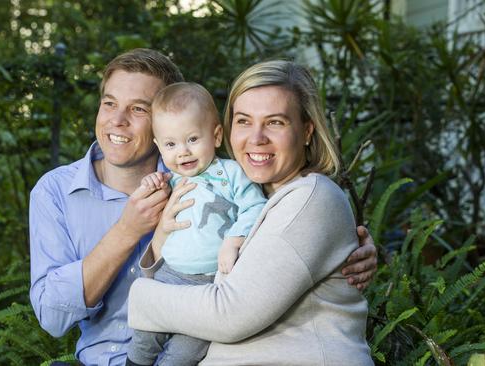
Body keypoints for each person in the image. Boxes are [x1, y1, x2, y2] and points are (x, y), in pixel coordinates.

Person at [29, 48, 377, 366]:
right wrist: (128, 230)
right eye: (109, 103)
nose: (118, 120)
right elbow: (52, 318)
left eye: (139, 109)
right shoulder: (57, 191)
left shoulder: (214, 176)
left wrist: (349, 246)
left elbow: (287, 215)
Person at [128, 61, 374, 365]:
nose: (256, 138)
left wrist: (139, 296)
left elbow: (229, 315)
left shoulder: (310, 198)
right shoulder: (247, 196)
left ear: (307, 130)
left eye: (275, 122)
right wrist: (164, 232)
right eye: (244, 121)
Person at [125, 82, 267, 366]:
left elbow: (256, 207)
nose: (183, 152)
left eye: (192, 139)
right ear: (158, 147)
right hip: (169, 276)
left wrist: (234, 239)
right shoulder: (170, 179)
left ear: (215, 136)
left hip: (210, 284)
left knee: (185, 353)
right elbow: (151, 213)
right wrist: (151, 184)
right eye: (170, 144)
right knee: (144, 338)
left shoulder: (231, 174)